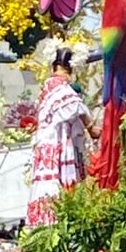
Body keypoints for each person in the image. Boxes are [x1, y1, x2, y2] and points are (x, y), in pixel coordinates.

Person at [27, 49, 94, 226]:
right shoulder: (62, 88)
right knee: (62, 188)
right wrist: (92, 127)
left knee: (49, 187)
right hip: (59, 146)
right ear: (71, 68)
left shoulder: (46, 88)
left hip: (46, 148)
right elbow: (76, 106)